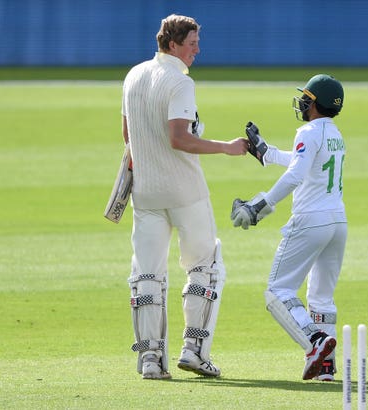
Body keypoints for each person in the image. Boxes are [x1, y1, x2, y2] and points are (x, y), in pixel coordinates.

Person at [121, 14, 248, 380]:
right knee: (205, 267)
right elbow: (179, 138)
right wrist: (226, 147)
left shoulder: (133, 76)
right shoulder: (179, 82)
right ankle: (194, 350)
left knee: (147, 273)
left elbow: (128, 134)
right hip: (185, 191)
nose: (197, 50)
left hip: (145, 192)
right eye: (192, 43)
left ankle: (150, 360)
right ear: (173, 44)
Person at [230, 74, 347, 381]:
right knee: (322, 299)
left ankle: (315, 342)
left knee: (277, 291)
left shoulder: (308, 131)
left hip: (310, 221)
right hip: (337, 222)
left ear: (315, 103)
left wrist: (260, 206)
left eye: (306, 98)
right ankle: (325, 366)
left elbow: (296, 175)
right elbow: (302, 163)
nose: (302, 102)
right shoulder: (334, 134)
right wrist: (266, 153)